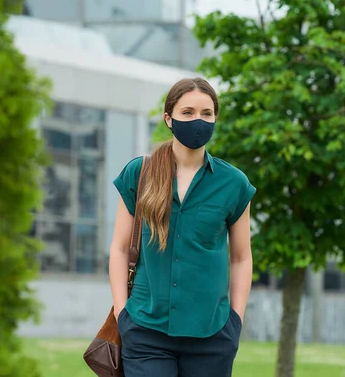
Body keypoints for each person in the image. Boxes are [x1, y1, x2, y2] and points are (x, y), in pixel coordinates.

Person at [108, 77, 256, 377]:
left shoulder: (234, 183)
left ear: (215, 118)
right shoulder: (140, 173)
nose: (197, 120)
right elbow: (120, 247)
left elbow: (241, 257)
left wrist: (235, 321)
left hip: (212, 336)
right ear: (169, 118)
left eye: (206, 113)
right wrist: (122, 313)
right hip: (145, 331)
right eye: (187, 112)